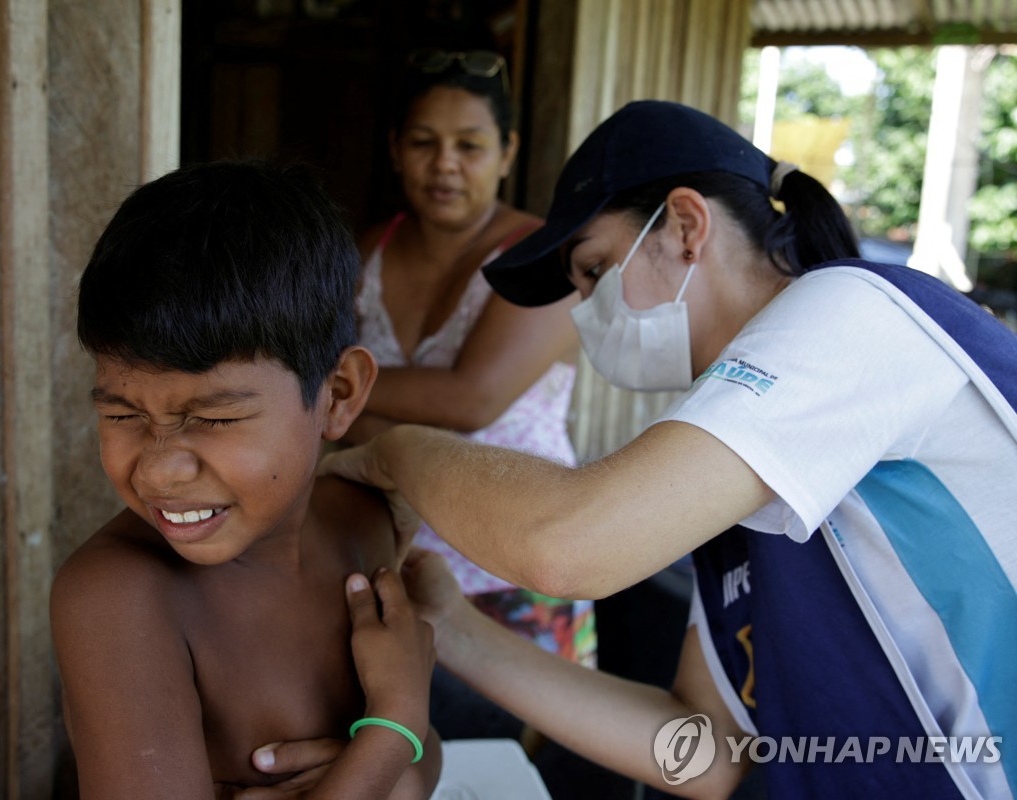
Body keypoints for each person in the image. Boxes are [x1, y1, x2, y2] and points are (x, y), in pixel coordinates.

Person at [313, 101, 1017, 798]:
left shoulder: (852, 314)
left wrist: (394, 452)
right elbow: (705, 752)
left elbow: (566, 544)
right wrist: (451, 626)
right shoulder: (740, 470)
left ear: (685, 225)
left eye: (594, 271)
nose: (586, 312)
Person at [50, 159, 441, 799]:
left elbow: (421, 771)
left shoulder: (364, 521)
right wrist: (390, 733)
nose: (157, 469)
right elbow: (407, 742)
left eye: (214, 417)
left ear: (339, 394)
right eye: (121, 413)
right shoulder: (116, 597)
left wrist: (385, 764)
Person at [351, 47, 593, 673]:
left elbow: (471, 399)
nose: (445, 165)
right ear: (394, 148)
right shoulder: (367, 251)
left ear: (508, 152)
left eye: (470, 145)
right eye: (424, 142)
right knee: (399, 755)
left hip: (516, 559)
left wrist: (329, 389)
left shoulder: (543, 257)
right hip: (388, 558)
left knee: (514, 758)